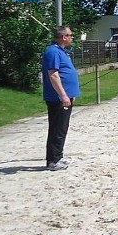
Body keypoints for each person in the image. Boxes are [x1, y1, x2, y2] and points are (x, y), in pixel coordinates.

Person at [42, 26, 80, 171]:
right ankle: (53, 160)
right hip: (57, 98)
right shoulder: (52, 51)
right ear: (63, 37)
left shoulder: (60, 51)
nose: (71, 37)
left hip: (65, 97)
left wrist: (70, 95)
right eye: (70, 35)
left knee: (62, 128)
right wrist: (63, 95)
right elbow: (53, 74)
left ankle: (58, 156)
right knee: (58, 128)